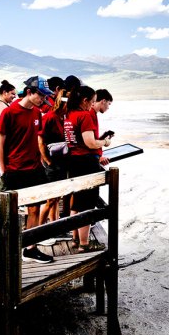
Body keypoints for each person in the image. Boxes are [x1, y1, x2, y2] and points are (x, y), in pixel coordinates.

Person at [0, 76, 55, 265]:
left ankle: (30, 249)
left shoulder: (37, 113)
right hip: (13, 169)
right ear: (29, 92)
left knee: (34, 208)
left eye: (45, 96)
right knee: (3, 212)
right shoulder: (9, 112)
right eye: (41, 95)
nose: (43, 99)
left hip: (34, 169)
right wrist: (3, 170)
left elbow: (35, 139)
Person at [64, 86, 111, 252]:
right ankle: (85, 244)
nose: (92, 105)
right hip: (86, 162)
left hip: (73, 160)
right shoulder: (84, 115)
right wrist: (104, 142)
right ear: (85, 100)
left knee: (76, 202)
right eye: (91, 101)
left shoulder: (69, 114)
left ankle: (76, 239)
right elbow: (90, 143)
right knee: (87, 203)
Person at [37, 86, 69, 229]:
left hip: (60, 162)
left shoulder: (64, 117)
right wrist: (48, 161)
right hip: (51, 163)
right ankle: (40, 229)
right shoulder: (50, 117)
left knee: (56, 198)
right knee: (51, 199)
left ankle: (54, 228)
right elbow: (40, 141)